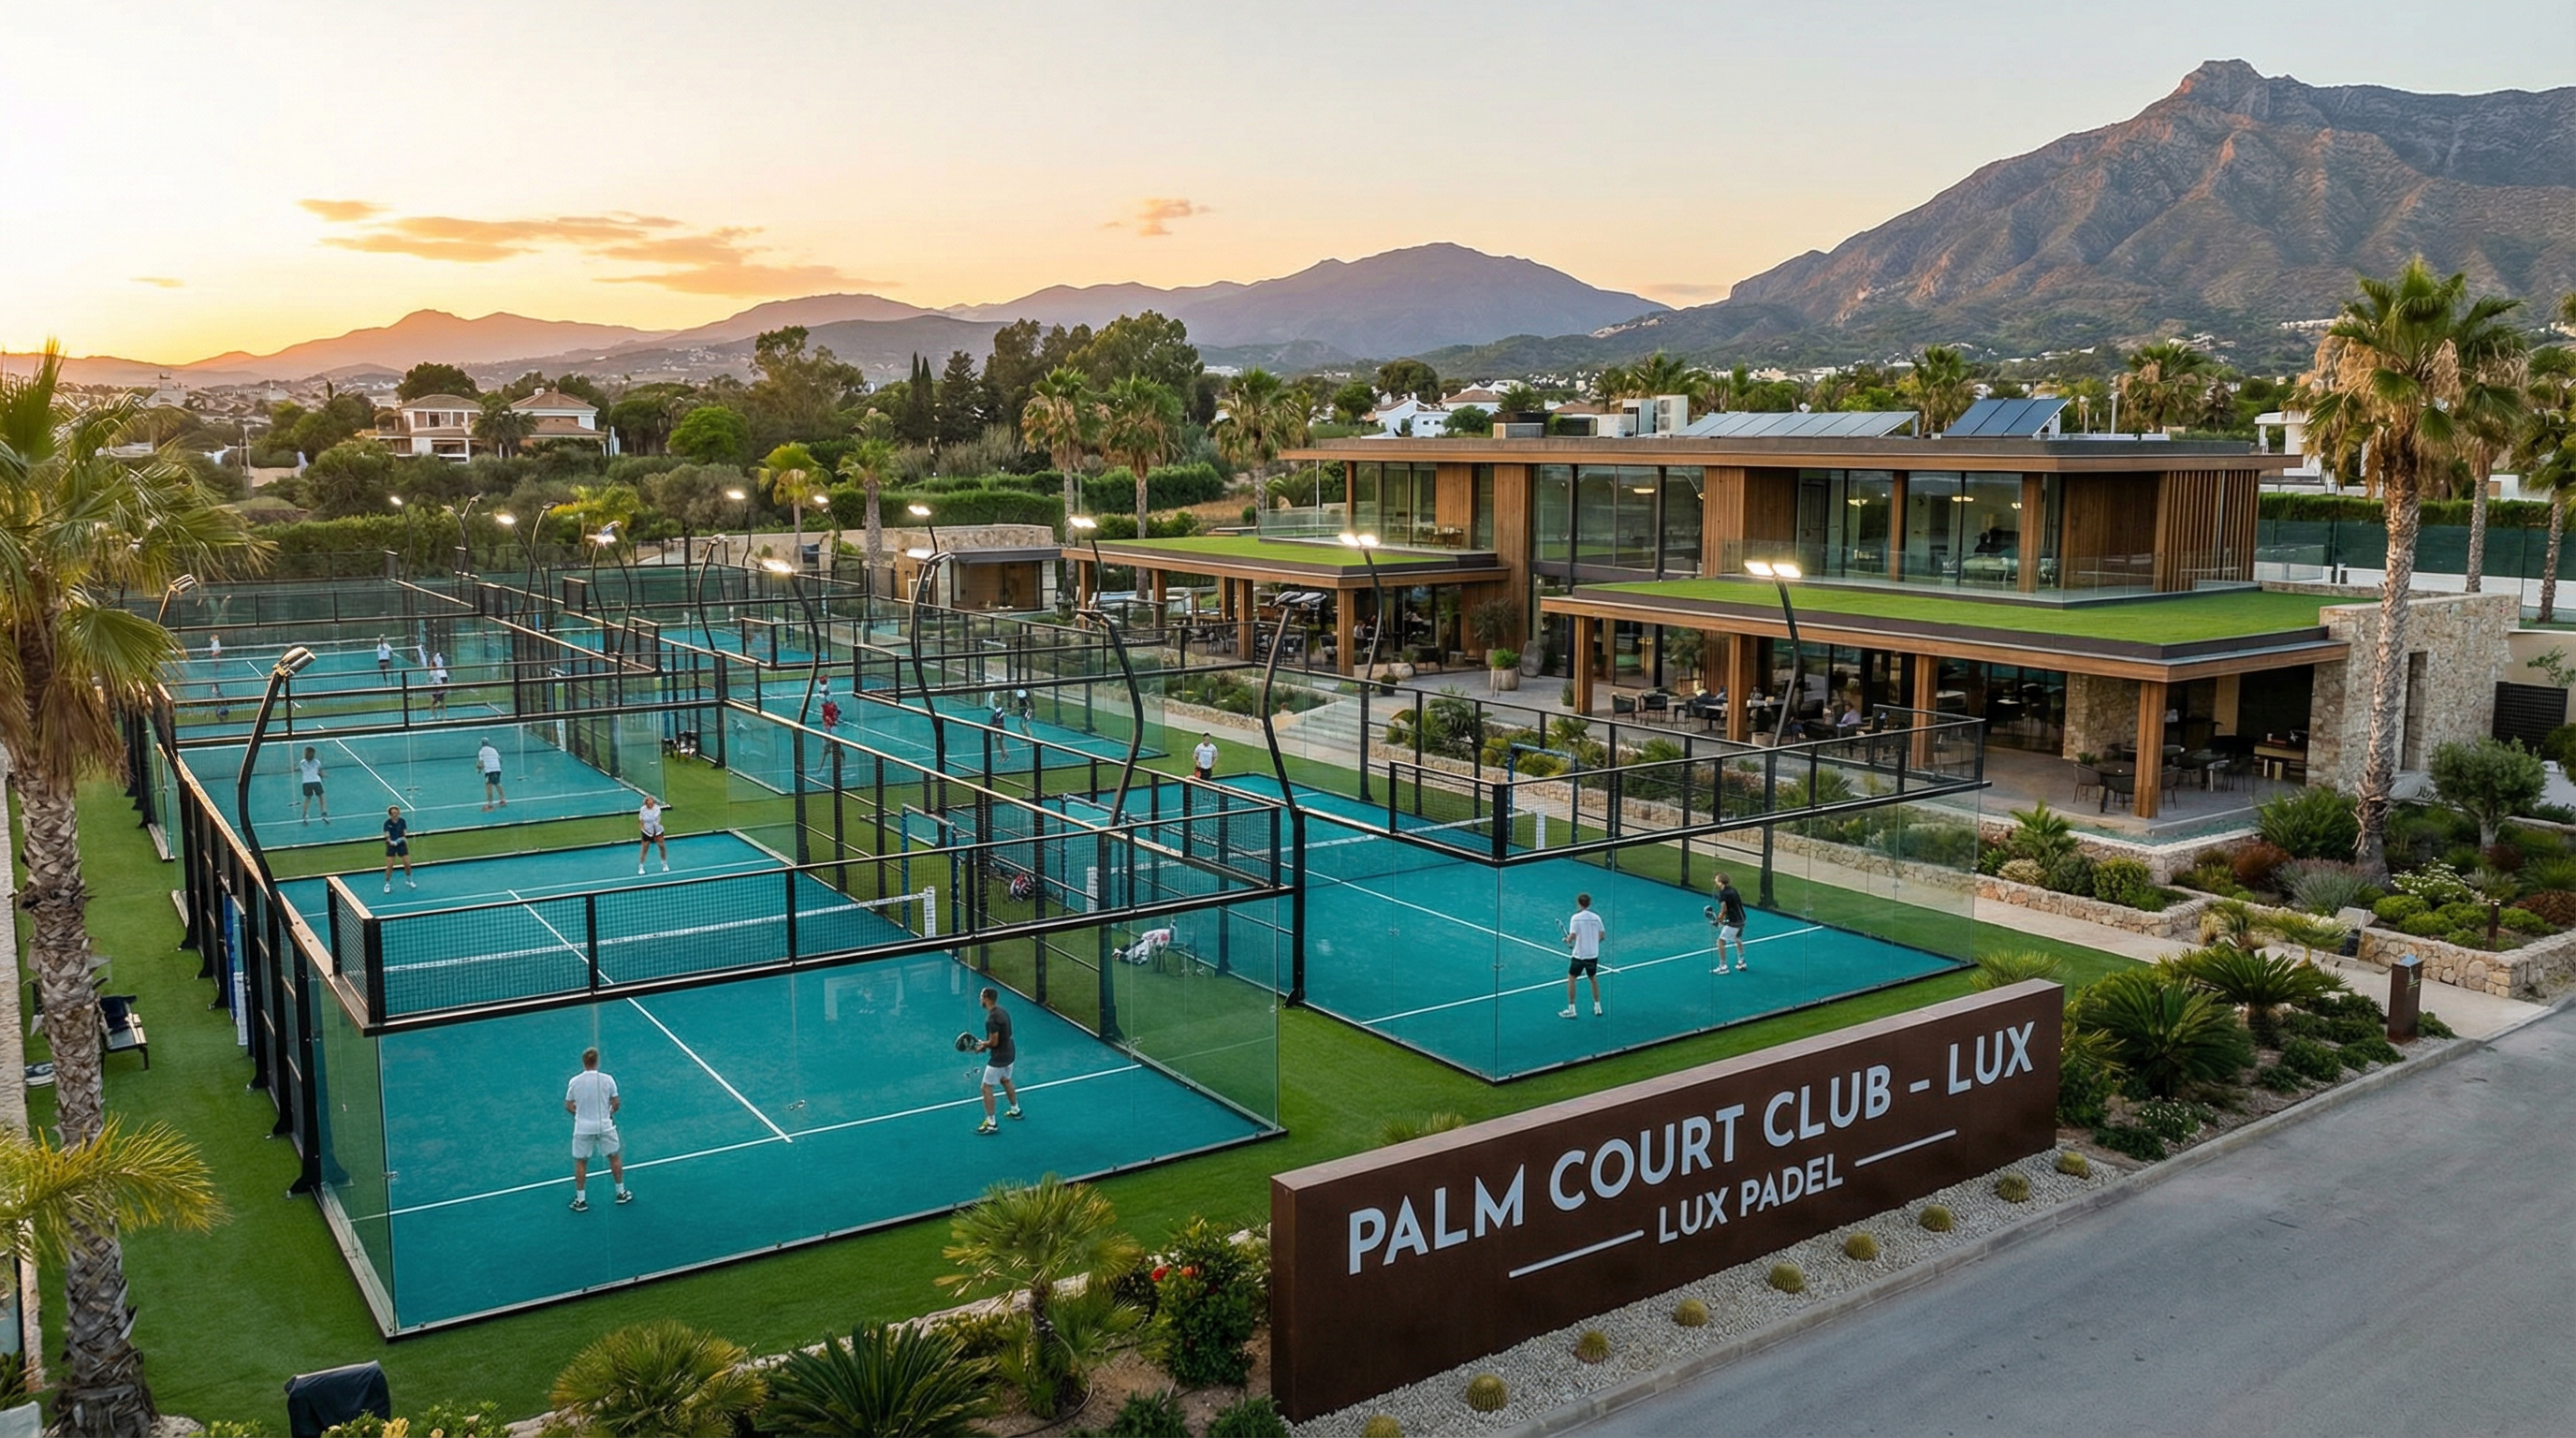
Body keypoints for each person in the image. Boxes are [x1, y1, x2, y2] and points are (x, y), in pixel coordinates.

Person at [564, 1047, 631, 1211]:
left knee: (581, 1162)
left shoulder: (574, 1081)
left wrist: (579, 1113)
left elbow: (568, 1105)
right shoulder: (608, 1080)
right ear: (597, 1061)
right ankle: (621, 1192)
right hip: (605, 1126)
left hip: (583, 1128)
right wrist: (607, 1114)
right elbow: (616, 1103)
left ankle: (580, 1200)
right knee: (614, 1157)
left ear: (584, 1062)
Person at [971, 986, 1022, 1134]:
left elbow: (994, 1042)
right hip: (1010, 1051)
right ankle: (1015, 1110)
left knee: (986, 1088)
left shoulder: (991, 1019)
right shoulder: (1002, 1011)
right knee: (1005, 1080)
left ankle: (992, 1124)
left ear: (986, 997)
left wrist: (983, 1045)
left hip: (1000, 1057)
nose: (980, 999)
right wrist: (987, 1044)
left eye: (981, 996)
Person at [1561, 893, 1606, 1019]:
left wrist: (1567, 940)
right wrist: (1592, 942)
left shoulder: (1576, 918)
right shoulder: (1596, 918)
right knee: (1593, 978)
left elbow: (1573, 936)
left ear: (1579, 903)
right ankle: (1597, 1007)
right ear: (1589, 903)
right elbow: (1602, 935)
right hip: (1593, 954)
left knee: (1571, 978)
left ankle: (1572, 1009)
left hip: (1580, 955)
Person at [1707, 872, 1749, 974]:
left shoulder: (1723, 893)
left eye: (1716, 880)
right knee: (1737, 939)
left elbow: (1724, 909)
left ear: (1720, 882)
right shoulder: (1733, 890)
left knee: (1720, 941)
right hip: (1742, 919)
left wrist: (1719, 920)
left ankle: (1723, 966)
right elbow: (1735, 906)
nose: (1716, 882)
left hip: (1734, 922)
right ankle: (1742, 962)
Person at [381, 805, 415, 892]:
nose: (395, 814)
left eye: (396, 813)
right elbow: (387, 835)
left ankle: (409, 880)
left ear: (398, 813)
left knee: (407, 864)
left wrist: (399, 840)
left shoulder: (402, 821)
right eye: (393, 813)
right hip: (391, 846)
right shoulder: (387, 823)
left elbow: (404, 834)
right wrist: (391, 842)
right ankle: (387, 884)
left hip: (401, 845)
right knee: (390, 866)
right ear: (390, 814)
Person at [637, 794, 672, 874]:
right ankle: (641, 866)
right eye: (648, 801)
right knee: (644, 849)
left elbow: (654, 819)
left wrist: (654, 831)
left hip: (657, 831)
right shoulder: (643, 809)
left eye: (651, 801)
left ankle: (664, 864)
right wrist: (643, 829)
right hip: (647, 832)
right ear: (646, 802)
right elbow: (641, 820)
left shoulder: (657, 809)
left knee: (662, 847)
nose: (650, 803)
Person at [296, 744, 329, 824]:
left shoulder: (302, 763)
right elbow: (319, 772)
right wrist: (323, 775)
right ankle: (324, 813)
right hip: (316, 781)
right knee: (321, 797)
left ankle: (305, 814)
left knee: (308, 798)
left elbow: (302, 770)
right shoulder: (317, 762)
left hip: (306, 782)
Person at [477, 736, 506, 810]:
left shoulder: (481, 751)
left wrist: (479, 769)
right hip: (497, 769)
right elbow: (500, 760)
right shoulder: (494, 750)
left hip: (490, 770)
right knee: (497, 783)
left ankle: (490, 804)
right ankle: (502, 800)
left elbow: (481, 763)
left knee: (489, 786)